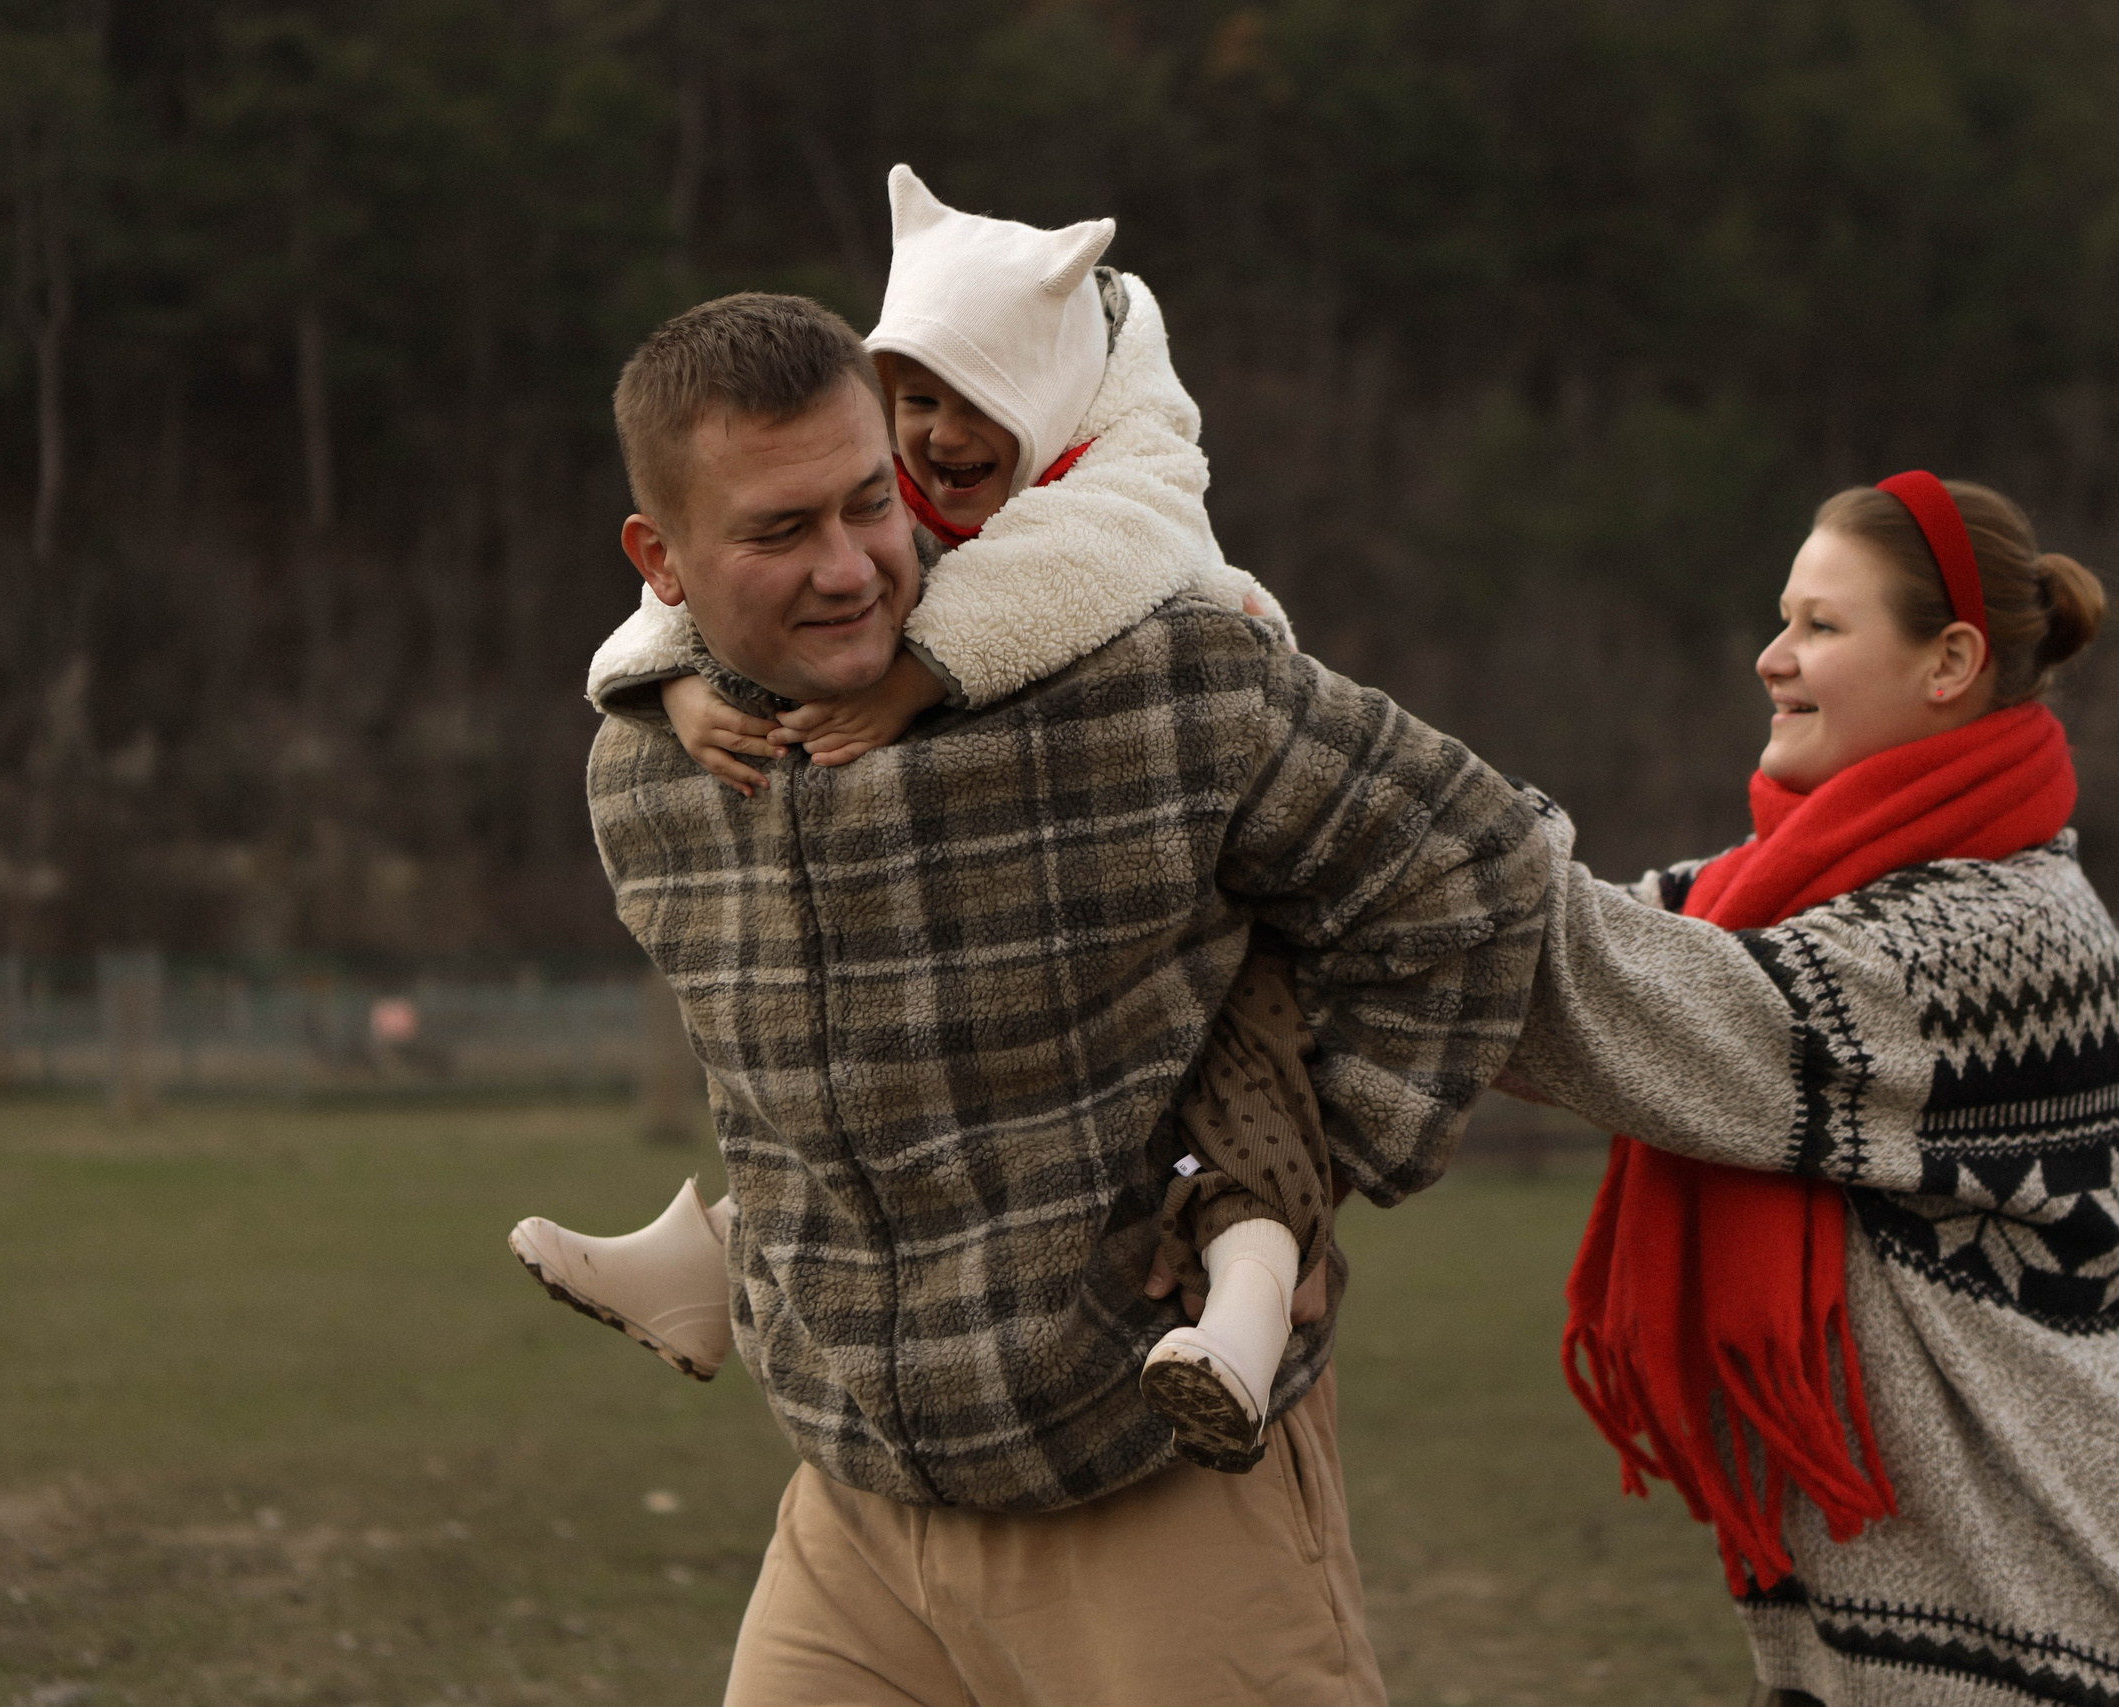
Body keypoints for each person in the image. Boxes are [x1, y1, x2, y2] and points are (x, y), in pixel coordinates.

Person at [577, 286, 1550, 1704]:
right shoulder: (643, 778)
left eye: (869, 502)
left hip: (1151, 1476)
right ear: (658, 557)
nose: (851, 566)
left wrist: (1304, 1175)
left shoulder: (1148, 681)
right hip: (854, 1515)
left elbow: (1472, 867)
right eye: (782, 530)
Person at [511, 168, 1331, 1475]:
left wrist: (910, 677)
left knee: (1242, 1112)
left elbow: (1071, 578)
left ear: (1048, 396)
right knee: (860, 1101)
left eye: (977, 402)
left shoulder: (1126, 480)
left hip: (1210, 904)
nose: (939, 436)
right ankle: (701, 1259)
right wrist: (667, 683)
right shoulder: (896, 515)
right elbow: (714, 570)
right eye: (917, 399)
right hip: (1026, 973)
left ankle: (1238, 1324)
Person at [1495, 473, 2119, 1706]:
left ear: (1949, 661)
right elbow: (1544, 969)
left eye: (1820, 626)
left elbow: (1595, 997)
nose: (1770, 658)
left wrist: (1322, 755)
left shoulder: (2003, 939)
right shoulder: (1792, 897)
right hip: (1891, 1627)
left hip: (2051, 1623)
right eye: (1783, 620)